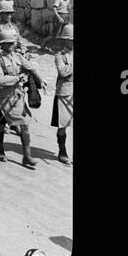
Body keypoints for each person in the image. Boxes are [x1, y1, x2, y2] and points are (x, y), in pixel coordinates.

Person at [0, 26, 44, 169]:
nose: (11, 45)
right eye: (8, 42)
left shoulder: (18, 57)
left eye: (12, 42)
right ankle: (0, 150)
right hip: (2, 97)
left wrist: (40, 79)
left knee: (25, 125)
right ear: (2, 44)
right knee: (0, 125)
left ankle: (27, 156)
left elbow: (31, 68)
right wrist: (16, 78)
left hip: (17, 97)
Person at [51, 24, 73, 164]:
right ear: (64, 40)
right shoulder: (59, 55)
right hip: (64, 92)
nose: (71, 42)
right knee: (62, 124)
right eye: (69, 40)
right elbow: (62, 72)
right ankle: (62, 150)